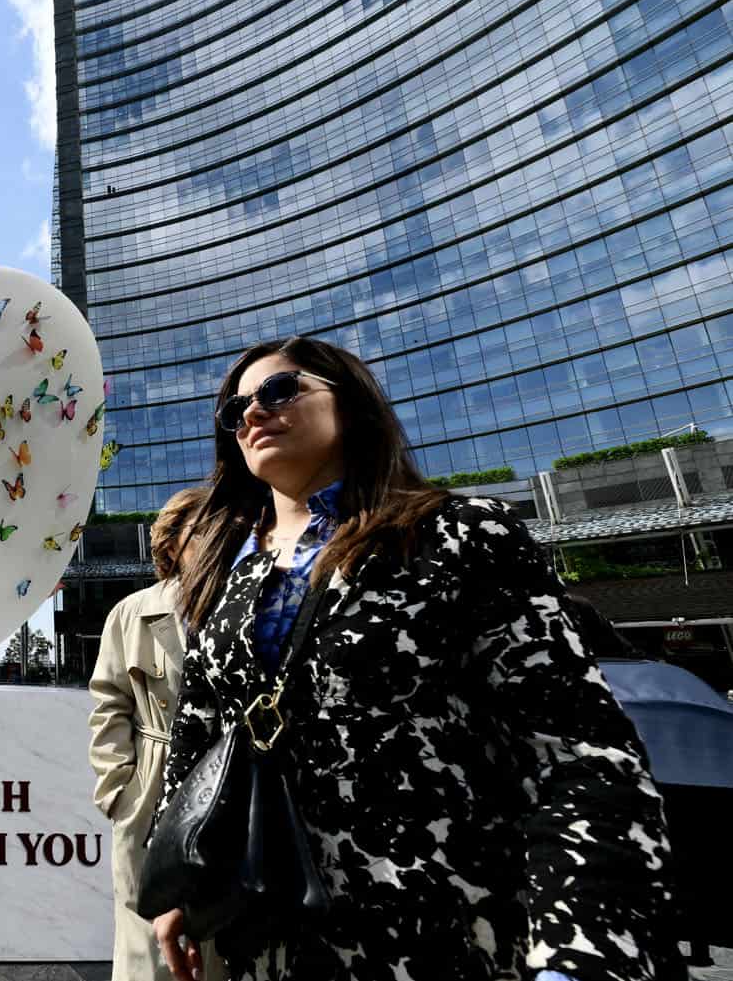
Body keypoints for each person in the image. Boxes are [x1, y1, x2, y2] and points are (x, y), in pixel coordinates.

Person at [150, 336, 681, 981]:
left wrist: (578, 956)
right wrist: (175, 872)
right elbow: (198, 733)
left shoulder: (461, 534)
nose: (253, 413)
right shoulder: (222, 578)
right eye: (234, 411)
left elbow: (578, 753)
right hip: (271, 935)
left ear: (353, 405)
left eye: (280, 390)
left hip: (447, 927)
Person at [89, 485, 223, 981]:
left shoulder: (247, 606)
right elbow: (109, 702)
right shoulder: (131, 612)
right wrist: (117, 790)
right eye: (202, 529)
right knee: (147, 937)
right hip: (150, 783)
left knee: (222, 930)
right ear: (172, 544)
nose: (215, 539)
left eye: (224, 528)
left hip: (229, 781)